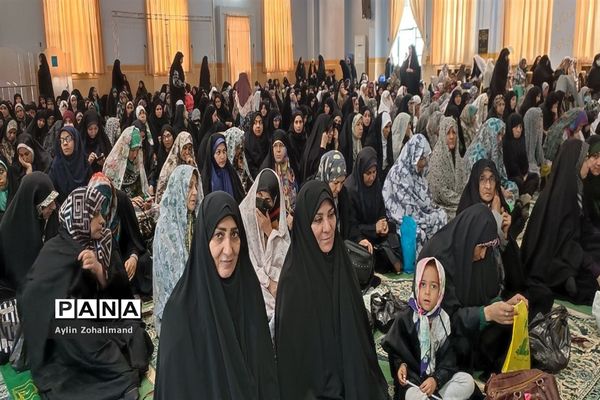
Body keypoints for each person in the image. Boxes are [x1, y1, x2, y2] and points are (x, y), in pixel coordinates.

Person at [19, 186, 152, 399]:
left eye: (101, 213)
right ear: (79, 218)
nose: (102, 221)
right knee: (77, 334)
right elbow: (32, 298)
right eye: (95, 215)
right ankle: (114, 374)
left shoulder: (104, 241)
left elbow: (123, 296)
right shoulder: (55, 249)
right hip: (68, 328)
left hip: (99, 314)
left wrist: (101, 273)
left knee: (133, 326)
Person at [155, 191, 279, 399]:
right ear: (204, 240)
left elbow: (266, 376)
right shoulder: (180, 315)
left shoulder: (248, 294)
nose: (228, 250)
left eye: (235, 235)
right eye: (219, 235)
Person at [275, 180, 389, 400]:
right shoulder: (293, 282)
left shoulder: (341, 263)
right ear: (304, 224)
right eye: (317, 219)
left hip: (350, 378)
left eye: (331, 215)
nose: (327, 228)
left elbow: (358, 338)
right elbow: (295, 369)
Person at [419, 203, 528, 374]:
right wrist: (485, 314)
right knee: (461, 347)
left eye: (487, 248)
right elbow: (441, 317)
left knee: (510, 323)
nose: (483, 254)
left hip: (468, 322)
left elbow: (485, 296)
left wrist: (504, 305)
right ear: (469, 238)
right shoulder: (438, 258)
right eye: (481, 247)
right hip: (440, 330)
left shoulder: (477, 250)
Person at [522, 139, 600, 313]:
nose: (589, 164)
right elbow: (566, 244)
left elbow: (583, 229)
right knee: (589, 286)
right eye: (586, 159)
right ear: (575, 162)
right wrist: (594, 269)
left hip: (569, 252)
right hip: (551, 262)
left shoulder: (575, 188)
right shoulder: (560, 198)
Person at [383, 257, 475, 400]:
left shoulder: (444, 320)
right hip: (415, 383)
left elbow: (450, 359)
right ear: (416, 285)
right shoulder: (405, 318)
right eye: (423, 284)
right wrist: (401, 366)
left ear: (441, 291)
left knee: (467, 382)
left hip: (437, 381)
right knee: (413, 396)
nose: (427, 292)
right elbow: (396, 351)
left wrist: (436, 379)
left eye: (434, 286)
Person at [153, 165, 202, 334]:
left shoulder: (194, 219)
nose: (195, 192)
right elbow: (173, 280)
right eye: (189, 187)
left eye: (196, 186)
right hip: (177, 300)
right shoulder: (166, 227)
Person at [239, 169, 290, 331]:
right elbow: (246, 260)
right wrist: (269, 283)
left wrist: (269, 232)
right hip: (253, 280)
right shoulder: (244, 215)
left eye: (267, 199)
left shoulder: (278, 218)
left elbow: (287, 259)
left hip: (276, 283)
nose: (261, 202)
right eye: (259, 196)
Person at [383, 134, 447, 254]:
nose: (424, 163)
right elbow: (404, 209)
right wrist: (426, 218)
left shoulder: (417, 172)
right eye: (421, 158)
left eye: (424, 158)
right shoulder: (399, 174)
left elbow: (425, 199)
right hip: (401, 219)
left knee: (442, 216)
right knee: (418, 233)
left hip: (418, 213)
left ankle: (438, 260)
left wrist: (430, 213)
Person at [345, 147, 402, 273]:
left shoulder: (375, 184)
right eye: (368, 173)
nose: (372, 177)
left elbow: (381, 211)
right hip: (359, 236)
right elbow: (350, 227)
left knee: (394, 231)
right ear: (360, 171)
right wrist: (372, 229)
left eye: (374, 172)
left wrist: (383, 224)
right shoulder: (350, 190)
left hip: (376, 234)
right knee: (364, 252)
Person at [0, 172, 58, 292]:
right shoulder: (7, 231)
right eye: (48, 203)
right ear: (33, 202)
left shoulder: (50, 219)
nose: (54, 207)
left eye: (54, 201)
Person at [463, 117, 519, 207]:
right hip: (478, 190)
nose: (500, 139)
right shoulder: (476, 154)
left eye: (501, 135)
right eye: (498, 134)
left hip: (492, 184)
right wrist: (500, 191)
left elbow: (499, 174)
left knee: (513, 186)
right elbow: (478, 182)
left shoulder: (494, 149)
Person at [427, 116, 465, 219]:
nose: (451, 137)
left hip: (458, 202)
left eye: (454, 133)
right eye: (448, 133)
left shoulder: (457, 157)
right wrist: (462, 200)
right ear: (442, 135)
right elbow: (440, 192)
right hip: (443, 207)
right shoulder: (437, 158)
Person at [49, 125, 91, 205]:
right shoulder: (56, 165)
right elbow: (51, 193)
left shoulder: (84, 163)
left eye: (68, 139)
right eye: (62, 140)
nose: (65, 143)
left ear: (76, 141)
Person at [260, 130, 298, 217]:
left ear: (286, 147)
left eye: (281, 146)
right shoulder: (267, 171)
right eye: (275, 146)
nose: (278, 150)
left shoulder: (292, 168)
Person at [200, 133, 245, 203]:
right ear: (212, 154)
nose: (222, 156)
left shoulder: (231, 173)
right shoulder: (207, 178)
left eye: (224, 151)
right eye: (218, 152)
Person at [503, 113, 540, 197]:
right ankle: (524, 195)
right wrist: (522, 177)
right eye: (516, 127)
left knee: (535, 176)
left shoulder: (521, 141)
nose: (519, 130)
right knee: (518, 182)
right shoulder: (506, 143)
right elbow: (510, 166)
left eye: (520, 127)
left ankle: (525, 196)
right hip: (510, 176)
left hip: (522, 175)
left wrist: (525, 174)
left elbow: (525, 162)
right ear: (510, 128)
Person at [155, 131, 196, 203]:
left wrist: (191, 167)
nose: (187, 152)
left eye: (189, 149)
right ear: (179, 147)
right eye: (184, 148)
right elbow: (161, 192)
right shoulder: (170, 165)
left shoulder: (191, 163)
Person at [223, 126, 253, 194]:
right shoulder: (223, 166)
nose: (240, 149)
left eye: (241, 145)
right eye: (238, 146)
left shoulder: (240, 158)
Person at [244, 112, 269, 178]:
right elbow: (250, 165)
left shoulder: (268, 139)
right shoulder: (247, 141)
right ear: (252, 125)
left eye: (260, 123)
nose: (258, 126)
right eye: (255, 123)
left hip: (267, 174)